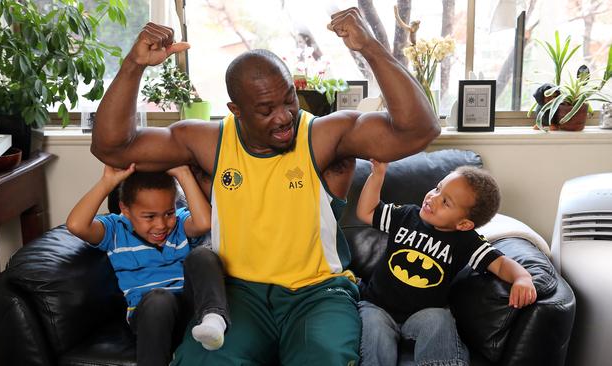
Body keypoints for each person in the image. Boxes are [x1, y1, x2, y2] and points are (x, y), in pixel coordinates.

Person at [91, 7, 440, 365]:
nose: (284, 115)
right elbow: (112, 148)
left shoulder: (323, 137)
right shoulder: (208, 142)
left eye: (288, 98)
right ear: (235, 109)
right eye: (265, 108)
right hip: (239, 294)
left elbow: (419, 131)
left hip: (317, 293)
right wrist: (133, 64)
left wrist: (371, 48)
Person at [356, 161, 538, 366]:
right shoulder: (406, 216)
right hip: (378, 306)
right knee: (374, 333)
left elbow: (501, 264)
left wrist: (522, 278)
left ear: (463, 224)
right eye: (437, 188)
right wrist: (377, 175)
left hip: (422, 314)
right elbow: (367, 212)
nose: (433, 198)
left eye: (445, 202)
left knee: (439, 319)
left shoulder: (466, 241)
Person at [66, 164, 230, 366]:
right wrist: (107, 183)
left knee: (202, 256)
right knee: (160, 300)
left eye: (168, 213)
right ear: (125, 209)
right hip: (151, 316)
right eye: (149, 216)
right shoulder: (115, 230)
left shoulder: (180, 223)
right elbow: (76, 225)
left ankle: (214, 319)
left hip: (190, 311)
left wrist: (183, 173)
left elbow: (205, 223)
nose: (161, 225)